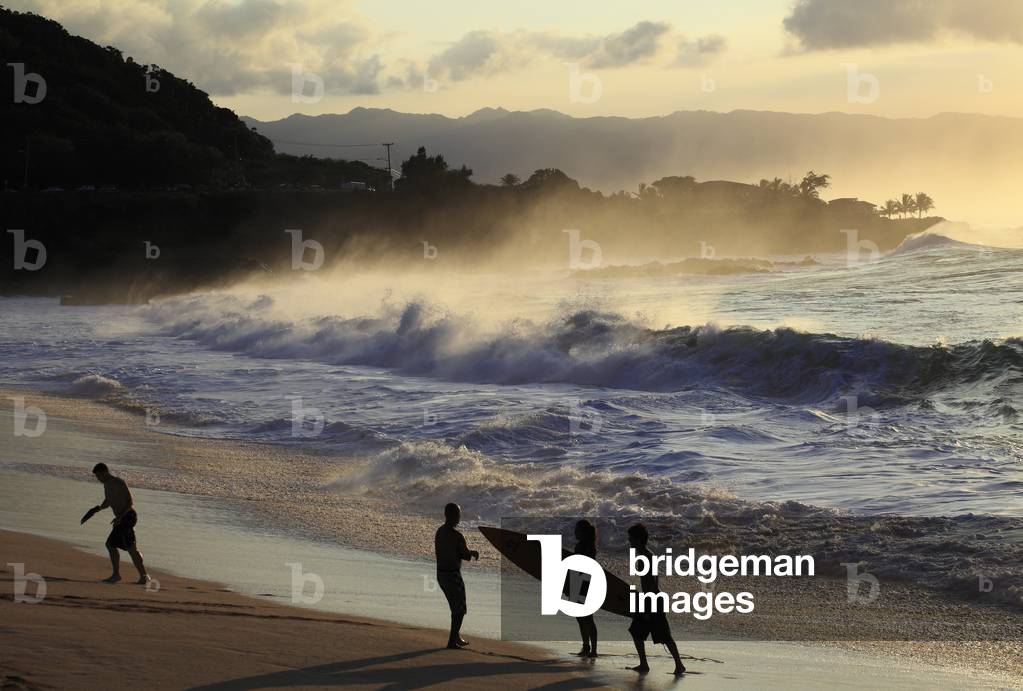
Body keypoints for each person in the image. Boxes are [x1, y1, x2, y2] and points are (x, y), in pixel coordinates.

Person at [627, 523, 685, 675]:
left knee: (664, 636)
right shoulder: (645, 555)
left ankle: (679, 665)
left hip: (652, 600)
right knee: (636, 632)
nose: (629, 541)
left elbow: (652, 583)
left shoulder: (646, 556)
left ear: (638, 539)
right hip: (650, 599)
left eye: (631, 538)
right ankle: (644, 664)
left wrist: (648, 605)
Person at [80, 463, 150, 585]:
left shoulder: (118, 482)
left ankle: (117, 575)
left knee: (111, 544)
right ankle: (143, 576)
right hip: (121, 518)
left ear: (105, 472)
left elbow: (130, 502)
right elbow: (109, 500)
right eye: (97, 477)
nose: (98, 479)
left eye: (99, 476)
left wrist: (120, 517)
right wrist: (98, 509)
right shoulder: (106, 484)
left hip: (128, 517)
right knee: (131, 548)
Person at [434, 502, 478, 649]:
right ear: (452, 516)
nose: (459, 517)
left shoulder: (439, 532)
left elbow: (445, 551)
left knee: (455, 608)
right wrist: (473, 552)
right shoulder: (457, 535)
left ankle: (456, 637)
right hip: (453, 576)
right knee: (459, 609)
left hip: (440, 575)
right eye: (458, 514)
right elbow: (465, 556)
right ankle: (452, 640)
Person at [573, 519, 599, 658]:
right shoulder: (580, 545)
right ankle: (586, 646)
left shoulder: (589, 547)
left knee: (588, 618)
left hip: (586, 583)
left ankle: (593, 649)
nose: (574, 533)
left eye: (577, 530)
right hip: (577, 581)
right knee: (580, 618)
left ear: (583, 533)